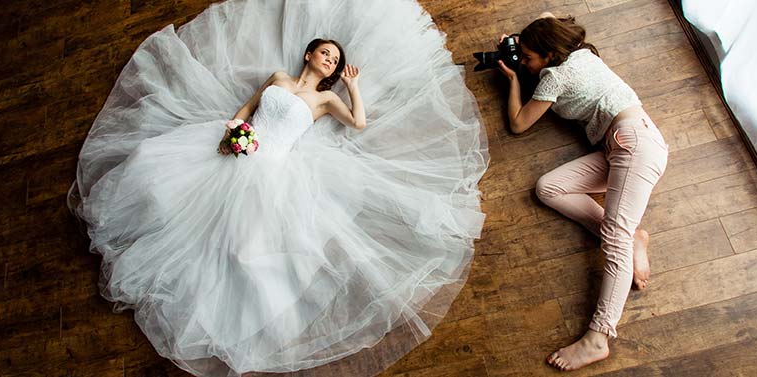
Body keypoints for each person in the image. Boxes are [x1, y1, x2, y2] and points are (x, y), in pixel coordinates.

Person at [67, 0, 489, 375]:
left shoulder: (326, 101)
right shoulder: (279, 78)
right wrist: (234, 130)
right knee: (167, 187)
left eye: (335, 62)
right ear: (309, 53)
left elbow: (359, 123)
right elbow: (249, 106)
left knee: (242, 244)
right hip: (239, 146)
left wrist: (353, 85)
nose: (330, 61)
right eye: (326, 53)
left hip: (272, 169)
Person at [495, 12, 669, 371]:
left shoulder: (555, 77)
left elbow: (517, 124)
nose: (525, 63)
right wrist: (522, 42)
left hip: (634, 145)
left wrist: (512, 80)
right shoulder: (580, 52)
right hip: (623, 145)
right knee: (549, 187)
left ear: (547, 55)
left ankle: (598, 336)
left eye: (529, 57)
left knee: (614, 238)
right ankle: (634, 237)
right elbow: (546, 16)